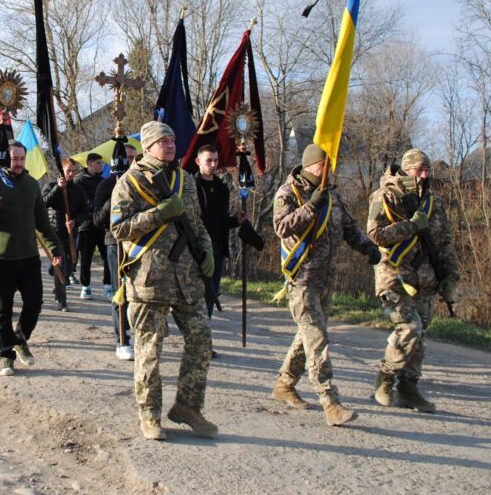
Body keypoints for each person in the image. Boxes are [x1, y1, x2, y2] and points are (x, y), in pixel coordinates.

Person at [111, 122, 217, 441]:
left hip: (187, 279)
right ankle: (150, 415)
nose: (170, 145)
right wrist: (159, 213)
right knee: (149, 351)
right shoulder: (130, 182)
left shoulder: (185, 179)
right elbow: (119, 228)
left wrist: (208, 251)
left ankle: (187, 407)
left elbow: (197, 224)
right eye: (162, 141)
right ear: (148, 146)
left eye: (172, 139)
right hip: (149, 281)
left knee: (201, 340)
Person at [271, 143, 380, 426]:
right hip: (302, 279)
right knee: (317, 341)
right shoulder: (288, 193)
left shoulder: (331, 194)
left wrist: (366, 247)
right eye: (323, 165)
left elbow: (348, 227)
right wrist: (311, 206)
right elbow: (282, 227)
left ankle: (284, 384)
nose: (327, 170)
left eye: (329, 166)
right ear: (309, 166)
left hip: (326, 279)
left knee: (307, 336)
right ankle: (331, 403)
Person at [366, 148, 458, 413]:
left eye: (427, 170)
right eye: (419, 170)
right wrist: (412, 226)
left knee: (420, 337)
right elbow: (375, 235)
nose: (424, 175)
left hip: (424, 278)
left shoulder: (432, 202)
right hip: (394, 276)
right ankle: (385, 377)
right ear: (406, 170)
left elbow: (443, 242)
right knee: (409, 328)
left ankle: (408, 388)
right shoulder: (385, 196)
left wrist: (450, 276)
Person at [0, 142, 63, 376]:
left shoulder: (32, 185)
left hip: (29, 256)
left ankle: (20, 339)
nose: (19, 163)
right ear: (5, 159)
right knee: (2, 310)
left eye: (22, 158)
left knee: (34, 303)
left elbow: (42, 222)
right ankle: (5, 355)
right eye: (14, 159)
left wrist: (55, 249)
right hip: (1, 257)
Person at [93, 142, 138, 360]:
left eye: (133, 158)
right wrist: (114, 200)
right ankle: (122, 338)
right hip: (115, 242)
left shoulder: (141, 182)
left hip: (139, 243)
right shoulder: (105, 185)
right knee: (120, 290)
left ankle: (137, 330)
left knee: (139, 290)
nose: (129, 162)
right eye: (126, 158)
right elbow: (98, 221)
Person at [193, 144, 244, 320]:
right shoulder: (191, 187)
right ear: (198, 161)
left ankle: (204, 335)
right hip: (197, 248)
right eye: (209, 160)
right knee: (197, 294)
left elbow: (220, 221)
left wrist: (235, 221)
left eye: (215, 160)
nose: (213, 165)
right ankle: (196, 336)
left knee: (211, 293)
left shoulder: (222, 188)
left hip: (218, 248)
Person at [42, 159, 89, 311]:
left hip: (70, 234)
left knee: (70, 266)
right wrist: (58, 188)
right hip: (54, 234)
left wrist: (76, 221)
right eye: (69, 170)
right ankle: (62, 301)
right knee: (60, 267)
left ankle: (57, 280)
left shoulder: (78, 189)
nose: (71, 174)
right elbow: (42, 204)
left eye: (74, 171)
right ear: (61, 171)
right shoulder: (50, 186)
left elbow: (84, 210)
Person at [73, 152, 110, 299]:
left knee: (107, 257)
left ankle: (108, 286)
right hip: (86, 226)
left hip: (102, 225)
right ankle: (86, 286)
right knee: (86, 257)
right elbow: (76, 202)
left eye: (101, 163)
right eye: (98, 163)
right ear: (89, 165)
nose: (100, 166)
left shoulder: (103, 181)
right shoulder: (79, 181)